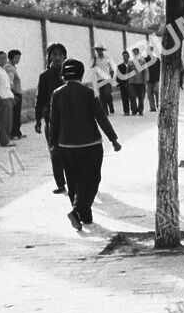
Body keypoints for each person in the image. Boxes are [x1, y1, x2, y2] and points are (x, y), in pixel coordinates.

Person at [49, 58, 121, 231]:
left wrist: (53, 144)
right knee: (91, 179)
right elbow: (100, 117)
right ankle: (78, 211)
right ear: (81, 74)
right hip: (91, 144)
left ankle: (85, 217)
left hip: (66, 145)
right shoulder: (88, 92)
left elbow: (54, 122)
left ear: (63, 75)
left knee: (73, 181)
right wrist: (113, 139)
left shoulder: (57, 93)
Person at [35, 43, 68, 195]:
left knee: (70, 150)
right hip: (51, 117)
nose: (57, 57)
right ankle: (60, 183)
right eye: (54, 54)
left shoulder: (69, 73)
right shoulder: (45, 76)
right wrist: (37, 119)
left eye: (60, 54)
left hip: (69, 117)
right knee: (54, 149)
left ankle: (75, 179)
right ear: (49, 57)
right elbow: (40, 97)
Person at [90, 45, 116, 114]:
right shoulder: (94, 59)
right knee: (101, 95)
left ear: (102, 50)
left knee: (107, 94)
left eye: (100, 50)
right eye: (97, 50)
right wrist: (95, 60)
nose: (99, 51)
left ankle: (111, 106)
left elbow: (111, 70)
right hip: (99, 79)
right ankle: (105, 110)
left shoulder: (107, 58)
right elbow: (92, 69)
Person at [5, 49, 25, 139]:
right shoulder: (9, 68)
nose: (18, 60)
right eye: (16, 58)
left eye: (19, 57)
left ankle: (17, 132)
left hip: (16, 92)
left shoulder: (12, 67)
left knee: (16, 114)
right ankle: (14, 133)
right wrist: (13, 94)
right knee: (15, 114)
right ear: (11, 58)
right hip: (15, 93)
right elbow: (10, 82)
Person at [129, 48, 147, 115]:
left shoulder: (142, 61)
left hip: (140, 82)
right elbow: (127, 71)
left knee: (141, 97)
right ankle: (134, 110)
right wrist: (126, 80)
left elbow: (146, 71)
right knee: (132, 97)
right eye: (134, 53)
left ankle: (140, 110)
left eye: (136, 52)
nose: (135, 54)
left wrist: (146, 79)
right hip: (132, 82)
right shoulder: (130, 62)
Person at [117, 51, 132, 115]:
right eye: (123, 56)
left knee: (132, 97)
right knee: (124, 98)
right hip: (123, 84)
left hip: (131, 83)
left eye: (126, 56)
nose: (124, 57)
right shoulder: (120, 66)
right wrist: (118, 84)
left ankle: (134, 110)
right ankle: (126, 111)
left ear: (128, 57)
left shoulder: (132, 65)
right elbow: (118, 75)